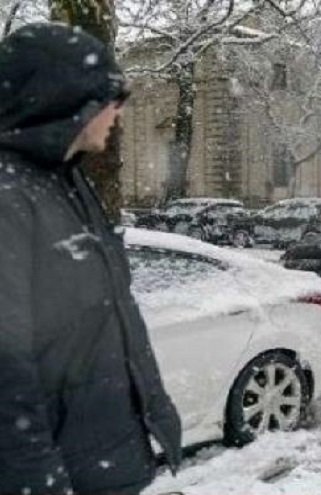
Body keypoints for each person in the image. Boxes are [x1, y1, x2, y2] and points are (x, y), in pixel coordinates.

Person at [0, 23, 181, 494]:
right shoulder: (8, 196)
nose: (117, 116)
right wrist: (35, 480)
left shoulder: (66, 181)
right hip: (67, 472)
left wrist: (155, 407)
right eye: (112, 102)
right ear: (69, 104)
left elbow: (113, 310)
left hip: (109, 456)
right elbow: (5, 365)